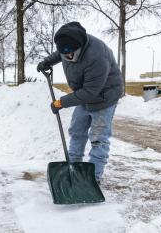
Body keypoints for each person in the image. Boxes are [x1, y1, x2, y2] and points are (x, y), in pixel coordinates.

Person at [37, 22, 123, 183]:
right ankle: (73, 168)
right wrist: (47, 61)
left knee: (98, 138)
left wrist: (61, 103)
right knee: (77, 131)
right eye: (65, 53)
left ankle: (93, 179)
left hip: (104, 97)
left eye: (71, 53)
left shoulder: (98, 57)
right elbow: (61, 52)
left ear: (80, 46)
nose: (68, 56)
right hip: (84, 95)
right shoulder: (68, 47)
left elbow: (90, 92)